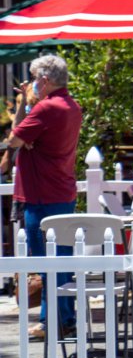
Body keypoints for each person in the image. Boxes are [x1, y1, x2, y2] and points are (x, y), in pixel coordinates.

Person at [8, 55, 82, 341]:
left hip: (41, 195)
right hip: (61, 191)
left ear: (44, 80)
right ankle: (55, 318)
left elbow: (15, 139)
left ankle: (59, 319)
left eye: (35, 78)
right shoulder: (70, 105)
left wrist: (22, 107)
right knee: (60, 259)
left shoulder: (47, 108)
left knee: (47, 262)